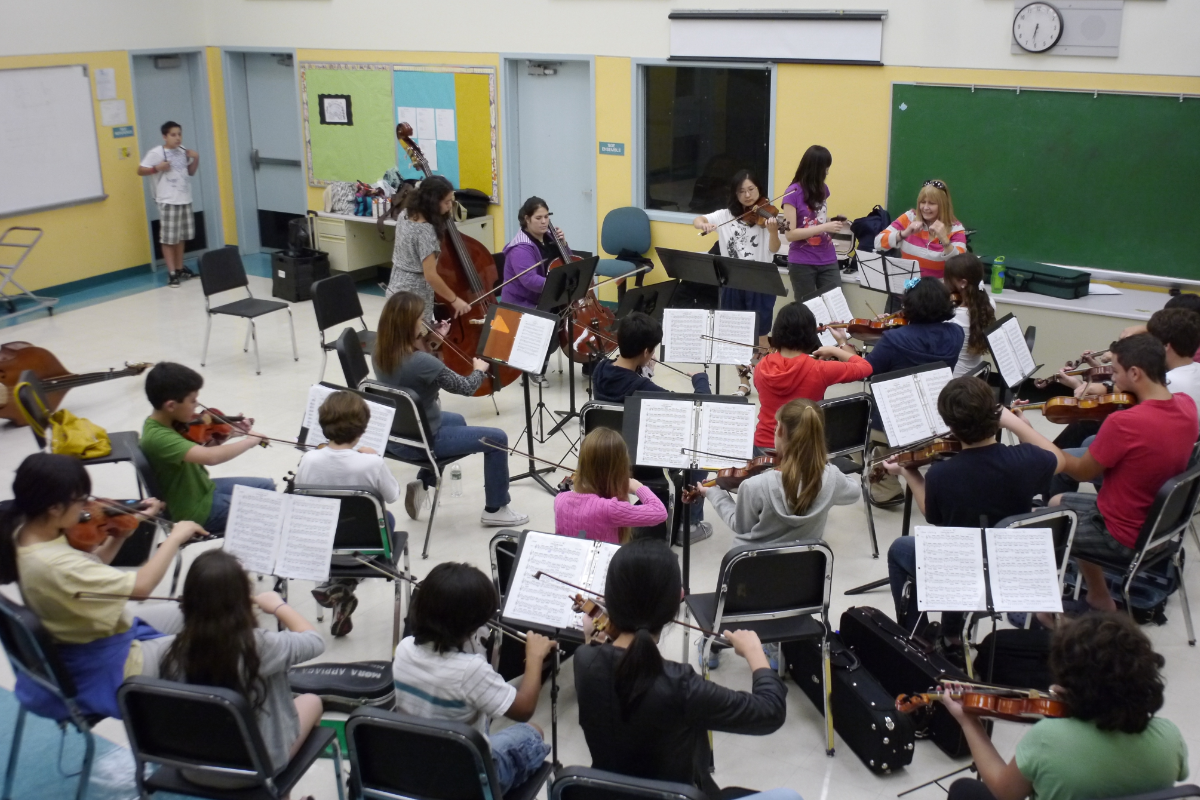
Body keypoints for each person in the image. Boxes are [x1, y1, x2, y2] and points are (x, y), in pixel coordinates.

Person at [573, 539, 796, 800]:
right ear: (675, 604)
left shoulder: (583, 660)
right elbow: (769, 711)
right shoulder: (681, 685)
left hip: (609, 794)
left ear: (610, 600)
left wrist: (591, 637)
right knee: (789, 796)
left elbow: (612, 663)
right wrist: (755, 653)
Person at [0, 453, 204, 719]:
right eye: (80, 500)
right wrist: (175, 538)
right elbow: (142, 587)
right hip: (102, 661)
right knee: (219, 649)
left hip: (80, 636)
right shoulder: (52, 563)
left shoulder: (24, 533)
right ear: (54, 508)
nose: (87, 507)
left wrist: (120, 536)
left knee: (200, 613)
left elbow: (88, 569)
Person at [1013, 334, 1198, 611]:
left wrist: (1024, 429)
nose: (1112, 380)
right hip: (1160, 526)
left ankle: (1043, 612)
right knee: (1056, 502)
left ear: (1135, 373)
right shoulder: (1187, 405)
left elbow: (1078, 471)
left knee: (1030, 526)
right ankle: (1098, 595)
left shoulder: (1125, 422)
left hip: (1120, 535)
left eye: (1115, 372)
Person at [882, 377, 1063, 642]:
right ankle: (951, 634)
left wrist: (908, 472)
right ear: (995, 415)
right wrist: (1019, 425)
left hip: (962, 570)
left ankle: (922, 640)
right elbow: (1058, 458)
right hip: (1013, 567)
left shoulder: (941, 474)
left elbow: (932, 514)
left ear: (949, 425)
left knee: (901, 548)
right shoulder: (1027, 460)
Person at [939, 613, 1187, 800]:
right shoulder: (1169, 736)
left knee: (965, 791)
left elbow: (1005, 792)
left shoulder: (1049, 739)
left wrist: (968, 720)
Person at [161, 550, 324, 789]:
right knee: (312, 701)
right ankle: (280, 793)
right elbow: (314, 641)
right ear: (241, 600)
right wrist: (279, 606)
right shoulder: (257, 646)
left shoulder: (175, 647)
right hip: (256, 769)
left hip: (193, 769)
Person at [392, 562, 555, 795]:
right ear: (470, 626)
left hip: (417, 765)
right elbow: (524, 709)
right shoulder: (469, 671)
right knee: (534, 732)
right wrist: (535, 657)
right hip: (468, 780)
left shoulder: (405, 648)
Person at [373, 290, 529, 527]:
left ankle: (424, 482)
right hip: (424, 440)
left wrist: (435, 340)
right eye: (419, 318)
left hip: (397, 436)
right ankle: (495, 508)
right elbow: (466, 387)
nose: (424, 321)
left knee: (457, 420)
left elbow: (416, 369)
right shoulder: (422, 362)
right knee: (497, 439)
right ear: (408, 325)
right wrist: (479, 368)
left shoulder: (381, 352)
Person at [590, 311, 712, 540]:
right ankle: (690, 525)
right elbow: (698, 405)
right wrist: (700, 379)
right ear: (646, 351)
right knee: (697, 445)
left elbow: (624, 384)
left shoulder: (599, 370)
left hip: (607, 452)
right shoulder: (644, 389)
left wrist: (643, 370)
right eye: (652, 350)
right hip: (641, 459)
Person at [294, 390, 401, 637]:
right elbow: (393, 495)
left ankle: (340, 587)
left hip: (322, 549)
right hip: (367, 551)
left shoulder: (309, 460)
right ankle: (344, 585)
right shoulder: (371, 463)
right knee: (387, 519)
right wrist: (375, 458)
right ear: (362, 429)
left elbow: (301, 499)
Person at [693, 398, 860, 546]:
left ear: (780, 432)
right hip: (801, 568)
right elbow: (854, 492)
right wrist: (823, 465)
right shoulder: (832, 478)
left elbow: (741, 526)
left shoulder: (753, 486)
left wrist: (713, 493)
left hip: (752, 567)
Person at [141, 362, 274, 533]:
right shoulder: (159, 437)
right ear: (171, 406)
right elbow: (210, 457)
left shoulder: (170, 422)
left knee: (267, 487)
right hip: (194, 510)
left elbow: (195, 450)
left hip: (202, 489)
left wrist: (224, 435)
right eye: (193, 401)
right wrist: (250, 441)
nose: (197, 406)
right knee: (269, 509)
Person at [692, 170, 782, 370]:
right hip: (732, 279)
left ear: (759, 189)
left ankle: (763, 376)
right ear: (735, 193)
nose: (748, 195)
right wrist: (704, 225)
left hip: (760, 280)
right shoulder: (725, 215)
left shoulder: (767, 216)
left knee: (761, 336)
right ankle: (743, 379)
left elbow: (774, 249)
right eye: (742, 191)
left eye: (751, 189)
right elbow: (698, 219)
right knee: (735, 335)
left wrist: (774, 231)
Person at [752, 302, 871, 452]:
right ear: (810, 334)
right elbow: (865, 367)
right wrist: (838, 347)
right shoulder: (820, 369)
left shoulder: (761, 366)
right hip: (804, 450)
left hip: (764, 446)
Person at [554, 428, 667, 544]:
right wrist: (638, 487)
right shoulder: (609, 509)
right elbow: (659, 512)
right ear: (619, 468)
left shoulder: (559, 499)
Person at [385, 175, 469, 324]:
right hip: (414, 297)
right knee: (415, 341)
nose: (450, 206)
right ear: (433, 202)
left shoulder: (405, 214)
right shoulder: (426, 231)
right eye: (447, 202)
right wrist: (454, 300)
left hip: (395, 288)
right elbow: (430, 276)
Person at [781, 145, 849, 299]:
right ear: (815, 168)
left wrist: (832, 222)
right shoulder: (792, 193)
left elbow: (815, 221)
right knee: (808, 310)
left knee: (836, 305)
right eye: (825, 168)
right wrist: (824, 226)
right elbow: (790, 234)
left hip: (828, 257)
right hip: (802, 261)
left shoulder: (823, 189)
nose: (827, 172)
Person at [137, 121, 199, 288]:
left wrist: (196, 158)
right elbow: (140, 170)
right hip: (168, 200)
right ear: (165, 136)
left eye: (179, 134)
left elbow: (191, 172)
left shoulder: (183, 150)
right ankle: (171, 273)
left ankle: (180, 268)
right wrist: (156, 168)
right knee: (168, 238)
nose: (177, 138)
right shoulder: (157, 153)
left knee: (180, 236)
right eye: (173, 135)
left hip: (184, 198)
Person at [865, 278, 964, 376]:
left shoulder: (892, 339)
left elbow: (867, 370)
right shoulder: (957, 333)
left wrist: (850, 351)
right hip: (942, 391)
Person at [874, 180, 967, 279]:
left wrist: (945, 240)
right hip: (909, 286)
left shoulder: (956, 228)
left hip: (937, 289)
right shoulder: (909, 218)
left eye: (931, 203)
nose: (925, 207)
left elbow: (960, 267)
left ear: (943, 205)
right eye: (922, 202)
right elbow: (878, 243)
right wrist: (903, 234)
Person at [500, 196, 569, 309]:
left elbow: (569, 262)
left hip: (548, 297)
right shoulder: (520, 248)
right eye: (538, 218)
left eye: (546, 217)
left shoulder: (551, 237)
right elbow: (530, 280)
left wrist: (564, 244)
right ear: (527, 219)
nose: (544, 221)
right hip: (523, 304)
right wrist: (560, 284)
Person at [943, 254, 997, 377]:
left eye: (947, 279)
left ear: (963, 283)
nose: (944, 281)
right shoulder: (989, 303)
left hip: (954, 378)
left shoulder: (952, 316)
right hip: (975, 373)